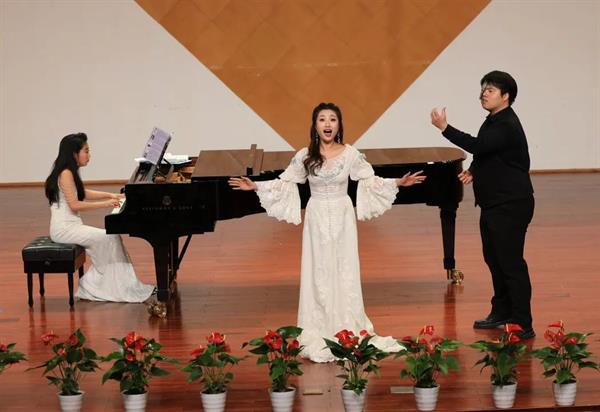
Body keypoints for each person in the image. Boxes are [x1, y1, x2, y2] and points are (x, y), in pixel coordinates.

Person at [229, 102, 426, 362]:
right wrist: (255, 186)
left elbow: (370, 181)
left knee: (344, 268)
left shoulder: (350, 154)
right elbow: (284, 182)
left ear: (339, 125)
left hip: (343, 216)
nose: (328, 124)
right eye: (322, 119)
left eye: (332, 119)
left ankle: (347, 326)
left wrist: (399, 182)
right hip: (317, 216)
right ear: (315, 125)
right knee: (318, 270)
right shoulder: (305, 156)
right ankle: (319, 326)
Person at [430, 70, 535, 339]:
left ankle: (523, 322)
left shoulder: (506, 124)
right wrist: (475, 170)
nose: (484, 94)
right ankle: (502, 311)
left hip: (511, 204)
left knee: (510, 263)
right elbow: (488, 152)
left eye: (490, 90)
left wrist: (445, 128)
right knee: (494, 258)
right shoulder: (493, 121)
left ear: (505, 96)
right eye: (483, 89)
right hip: (494, 203)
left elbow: (477, 145)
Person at [44, 133, 155, 303]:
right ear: (74, 154)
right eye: (86, 151)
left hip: (70, 226)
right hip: (64, 230)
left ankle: (119, 285)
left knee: (111, 238)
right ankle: (102, 285)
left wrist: (110, 195)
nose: (89, 155)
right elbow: (75, 204)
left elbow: (82, 192)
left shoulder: (68, 171)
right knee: (109, 238)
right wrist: (106, 203)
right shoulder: (66, 173)